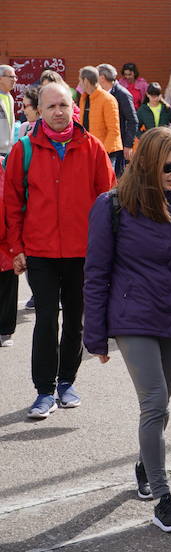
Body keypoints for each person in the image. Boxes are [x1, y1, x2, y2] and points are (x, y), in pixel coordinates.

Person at [82, 125, 171, 532]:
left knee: (161, 406)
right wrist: (96, 336)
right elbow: (96, 274)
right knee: (155, 402)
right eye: (168, 165)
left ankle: (146, 464)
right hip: (133, 318)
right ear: (147, 163)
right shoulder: (111, 206)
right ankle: (163, 497)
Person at [4, 82, 116, 419]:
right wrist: (16, 247)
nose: (57, 112)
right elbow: (11, 204)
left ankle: (67, 382)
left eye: (63, 106)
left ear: (73, 109)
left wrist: (107, 249)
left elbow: (109, 201)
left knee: (75, 321)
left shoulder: (93, 148)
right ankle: (43, 391)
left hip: (84, 253)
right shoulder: (23, 150)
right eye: (51, 106)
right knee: (46, 320)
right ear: (39, 111)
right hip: (40, 252)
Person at [98, 64, 139, 176]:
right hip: (104, 142)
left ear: (102, 78)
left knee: (115, 176)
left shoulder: (122, 94)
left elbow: (132, 120)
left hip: (118, 145)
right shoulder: (100, 94)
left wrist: (128, 145)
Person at [78, 66, 122, 163]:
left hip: (106, 153)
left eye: (80, 80)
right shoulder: (84, 98)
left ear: (85, 81)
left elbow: (114, 131)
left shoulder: (108, 100)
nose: (79, 84)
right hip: (89, 151)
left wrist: (102, 152)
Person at [0, 162, 18, 347]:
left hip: (6, 243)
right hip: (6, 242)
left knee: (7, 286)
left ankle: (6, 330)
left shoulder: (4, 168)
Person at [0, 65, 17, 157]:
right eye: (11, 77)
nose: (14, 80)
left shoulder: (10, 97)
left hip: (8, 151)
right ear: (0, 79)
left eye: (15, 77)